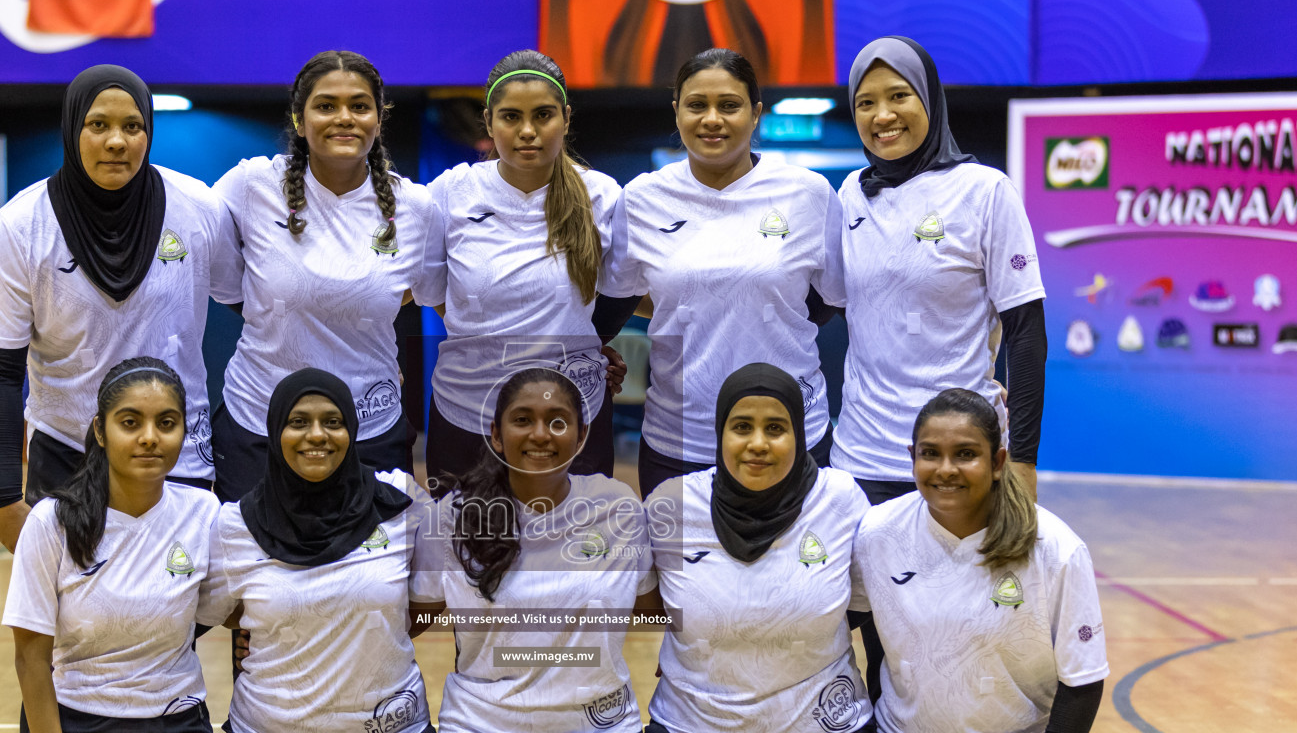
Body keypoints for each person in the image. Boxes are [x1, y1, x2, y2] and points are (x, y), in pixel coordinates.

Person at [0, 64, 241, 733]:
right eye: (99, 126)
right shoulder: (20, 226)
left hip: (182, 454)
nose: (116, 141)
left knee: (171, 637)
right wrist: (2, 496)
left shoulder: (198, 212)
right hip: (65, 459)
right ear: (72, 130)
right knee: (53, 649)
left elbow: (246, 308)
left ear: (149, 132)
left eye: (131, 126)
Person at [412, 367, 655, 733]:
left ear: (582, 432)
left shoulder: (619, 509)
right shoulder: (449, 516)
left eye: (557, 421)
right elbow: (415, 618)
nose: (540, 433)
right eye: (523, 420)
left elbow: (651, 612)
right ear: (496, 433)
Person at [854, 389, 1106, 733]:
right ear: (912, 458)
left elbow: (1084, 682)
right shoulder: (877, 536)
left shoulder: (1055, 548)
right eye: (929, 453)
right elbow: (828, 620)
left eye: (965, 454)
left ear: (997, 462)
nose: (945, 470)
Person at [196, 370, 437, 733]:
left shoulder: (399, 502)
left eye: (332, 422)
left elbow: (423, 607)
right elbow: (217, 610)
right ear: (276, 431)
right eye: (298, 423)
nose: (317, 436)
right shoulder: (235, 525)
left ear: (353, 431)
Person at [641, 363, 874, 733]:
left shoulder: (841, 500)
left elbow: (874, 617)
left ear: (799, 433)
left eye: (776, 428)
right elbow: (637, 605)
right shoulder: (673, 505)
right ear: (720, 434)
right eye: (741, 426)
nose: (758, 444)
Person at [1, 357, 220, 733]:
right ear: (100, 430)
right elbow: (30, 662)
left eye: (167, 422)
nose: (150, 437)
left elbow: (244, 612)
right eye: (131, 422)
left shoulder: (204, 516)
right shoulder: (52, 522)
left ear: (183, 430)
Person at [603, 47, 846, 498]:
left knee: (794, 568)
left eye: (729, 105)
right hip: (679, 438)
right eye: (697, 105)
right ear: (677, 112)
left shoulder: (808, 194)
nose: (712, 118)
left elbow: (830, 300)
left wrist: (769, 316)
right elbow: (616, 301)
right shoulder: (641, 198)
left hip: (790, 432)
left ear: (755, 114)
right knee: (682, 570)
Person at [211, 51, 437, 502]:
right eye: (326, 105)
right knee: (257, 569)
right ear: (299, 120)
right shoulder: (251, 187)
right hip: (259, 422)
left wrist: (348, 309)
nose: (344, 118)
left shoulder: (417, 208)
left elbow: (423, 292)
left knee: (373, 570)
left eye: (359, 105)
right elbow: (226, 284)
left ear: (378, 118)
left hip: (369, 426)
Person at [834, 36, 1046, 508]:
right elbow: (811, 305)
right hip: (859, 459)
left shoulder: (985, 190)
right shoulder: (850, 193)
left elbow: (1026, 334)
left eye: (899, 96)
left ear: (929, 98)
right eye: (865, 103)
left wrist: (1023, 462)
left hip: (960, 457)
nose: (882, 115)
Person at [417, 50, 631, 487]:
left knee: (572, 551)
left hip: (572, 413)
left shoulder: (602, 196)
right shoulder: (449, 193)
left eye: (544, 115)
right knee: (465, 549)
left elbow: (624, 291)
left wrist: (585, 345)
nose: (528, 131)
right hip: (468, 409)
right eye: (511, 116)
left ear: (566, 118)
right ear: (489, 121)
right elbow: (441, 295)